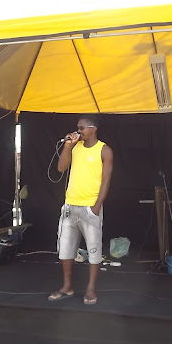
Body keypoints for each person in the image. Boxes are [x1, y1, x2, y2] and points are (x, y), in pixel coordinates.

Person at [48, 115, 113, 305]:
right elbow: (61, 168)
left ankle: (90, 289)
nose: (78, 131)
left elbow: (106, 181)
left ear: (93, 129)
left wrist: (97, 206)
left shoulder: (104, 150)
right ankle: (67, 286)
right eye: (78, 127)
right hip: (70, 206)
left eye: (82, 128)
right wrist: (68, 146)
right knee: (65, 249)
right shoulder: (75, 147)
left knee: (93, 249)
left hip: (90, 207)